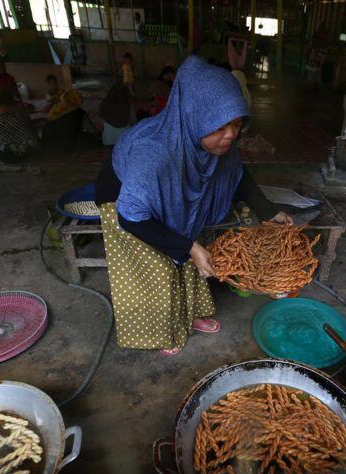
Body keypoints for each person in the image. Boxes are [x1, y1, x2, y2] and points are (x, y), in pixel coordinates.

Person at [94, 57, 292, 355]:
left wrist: (268, 210)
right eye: (219, 127)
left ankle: (188, 315)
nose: (230, 135)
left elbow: (236, 174)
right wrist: (188, 246)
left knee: (190, 252)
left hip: (167, 201)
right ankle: (162, 331)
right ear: (191, 116)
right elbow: (133, 218)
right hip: (127, 206)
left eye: (237, 124)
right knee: (159, 266)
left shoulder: (212, 141)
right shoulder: (153, 156)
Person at [0, 86, 40, 162]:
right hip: (30, 148)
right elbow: (32, 127)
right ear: (11, 96)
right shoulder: (20, 110)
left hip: (8, 154)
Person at [100, 82, 133, 147]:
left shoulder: (105, 103)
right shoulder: (127, 104)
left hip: (108, 141)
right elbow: (133, 121)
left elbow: (101, 120)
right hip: (124, 142)